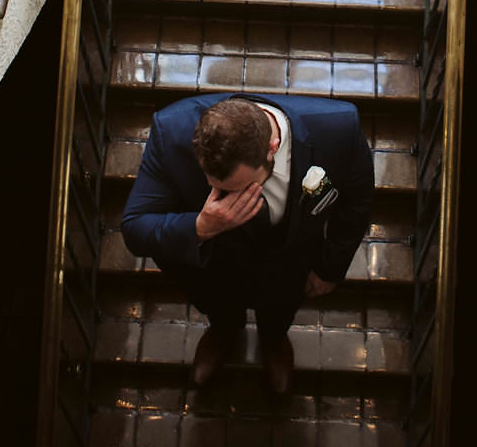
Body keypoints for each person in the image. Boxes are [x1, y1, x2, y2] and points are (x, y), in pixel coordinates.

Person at [121, 93, 375, 393]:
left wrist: (330, 270)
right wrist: (201, 227)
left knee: (279, 311)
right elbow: (135, 228)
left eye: (240, 188)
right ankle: (224, 332)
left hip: (289, 266)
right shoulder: (171, 130)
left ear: (273, 147)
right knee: (219, 307)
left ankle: (274, 340)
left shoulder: (338, 129)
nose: (228, 197)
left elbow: (356, 205)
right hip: (215, 266)